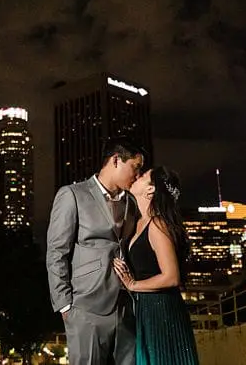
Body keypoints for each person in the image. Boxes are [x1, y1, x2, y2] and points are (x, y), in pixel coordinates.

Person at [46, 138, 145, 365]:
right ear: (116, 160)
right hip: (86, 307)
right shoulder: (72, 194)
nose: (138, 175)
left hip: (126, 305)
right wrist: (65, 305)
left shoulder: (131, 202)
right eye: (135, 167)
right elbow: (56, 251)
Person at [113, 166, 200, 365]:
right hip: (146, 308)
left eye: (143, 176)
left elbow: (171, 276)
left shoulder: (158, 224)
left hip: (162, 310)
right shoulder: (138, 223)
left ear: (150, 190)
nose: (137, 176)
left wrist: (133, 285)